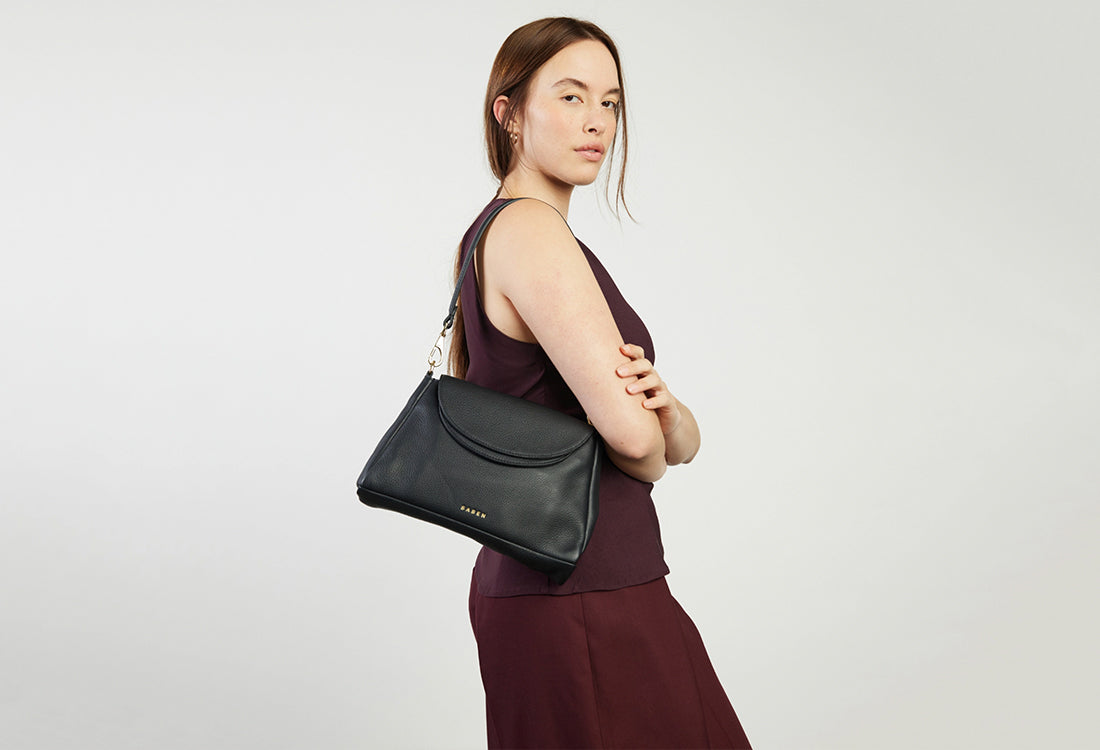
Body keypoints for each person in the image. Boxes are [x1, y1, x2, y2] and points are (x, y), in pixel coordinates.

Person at [451, 17, 753, 749]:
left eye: (611, 103)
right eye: (571, 96)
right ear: (509, 112)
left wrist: (667, 423)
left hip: (561, 587)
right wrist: (653, 443)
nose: (598, 123)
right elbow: (638, 442)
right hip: (585, 595)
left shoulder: (497, 232)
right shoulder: (531, 232)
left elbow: (673, 435)